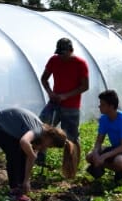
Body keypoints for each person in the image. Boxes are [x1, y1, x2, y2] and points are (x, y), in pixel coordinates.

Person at [0, 107, 78, 201]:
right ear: (50, 137)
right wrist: (31, 154)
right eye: (50, 145)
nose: (47, 148)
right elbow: (24, 141)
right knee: (14, 153)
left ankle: (20, 186)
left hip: (2, 124)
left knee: (23, 153)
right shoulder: (39, 130)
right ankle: (15, 191)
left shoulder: (40, 138)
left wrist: (26, 180)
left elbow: (30, 160)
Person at [38, 37, 89, 165]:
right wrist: (50, 93)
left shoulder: (80, 63)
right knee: (42, 127)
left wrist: (65, 96)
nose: (61, 56)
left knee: (71, 136)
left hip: (71, 106)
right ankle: (40, 156)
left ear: (71, 50)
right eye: (59, 53)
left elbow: (85, 86)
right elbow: (44, 78)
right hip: (54, 103)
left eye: (63, 53)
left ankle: (71, 163)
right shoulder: (54, 60)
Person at [85, 89, 122, 186]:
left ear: (111, 106)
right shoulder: (104, 119)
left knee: (119, 160)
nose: (99, 106)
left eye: (102, 104)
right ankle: (119, 170)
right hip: (118, 148)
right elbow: (99, 141)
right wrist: (96, 153)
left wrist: (103, 156)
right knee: (90, 156)